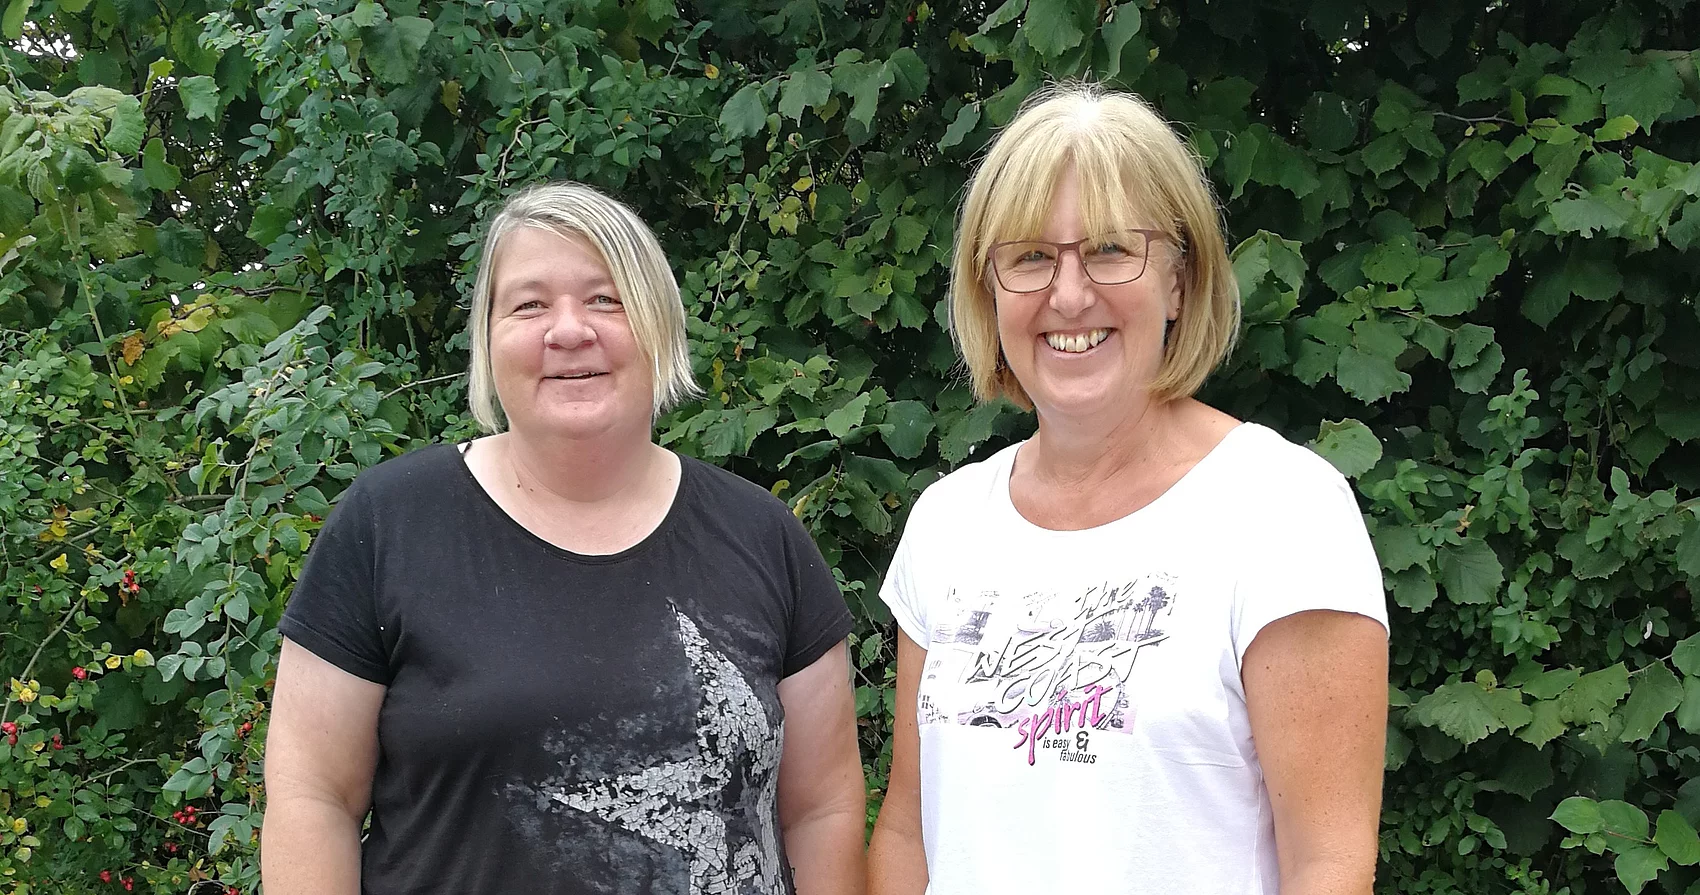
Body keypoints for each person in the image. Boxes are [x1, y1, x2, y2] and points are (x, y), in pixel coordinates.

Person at [261, 182, 867, 895]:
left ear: (660, 323)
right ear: (488, 337)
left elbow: (822, 807)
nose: (570, 330)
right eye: (530, 304)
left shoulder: (763, 538)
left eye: (606, 299)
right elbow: (312, 798)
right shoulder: (386, 525)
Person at [866, 83, 1389, 895]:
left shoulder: (1283, 509)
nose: (1069, 294)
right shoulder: (947, 523)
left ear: (1179, 280)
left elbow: (1329, 865)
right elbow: (908, 828)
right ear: (988, 288)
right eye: (1030, 257)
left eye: (1111, 250)